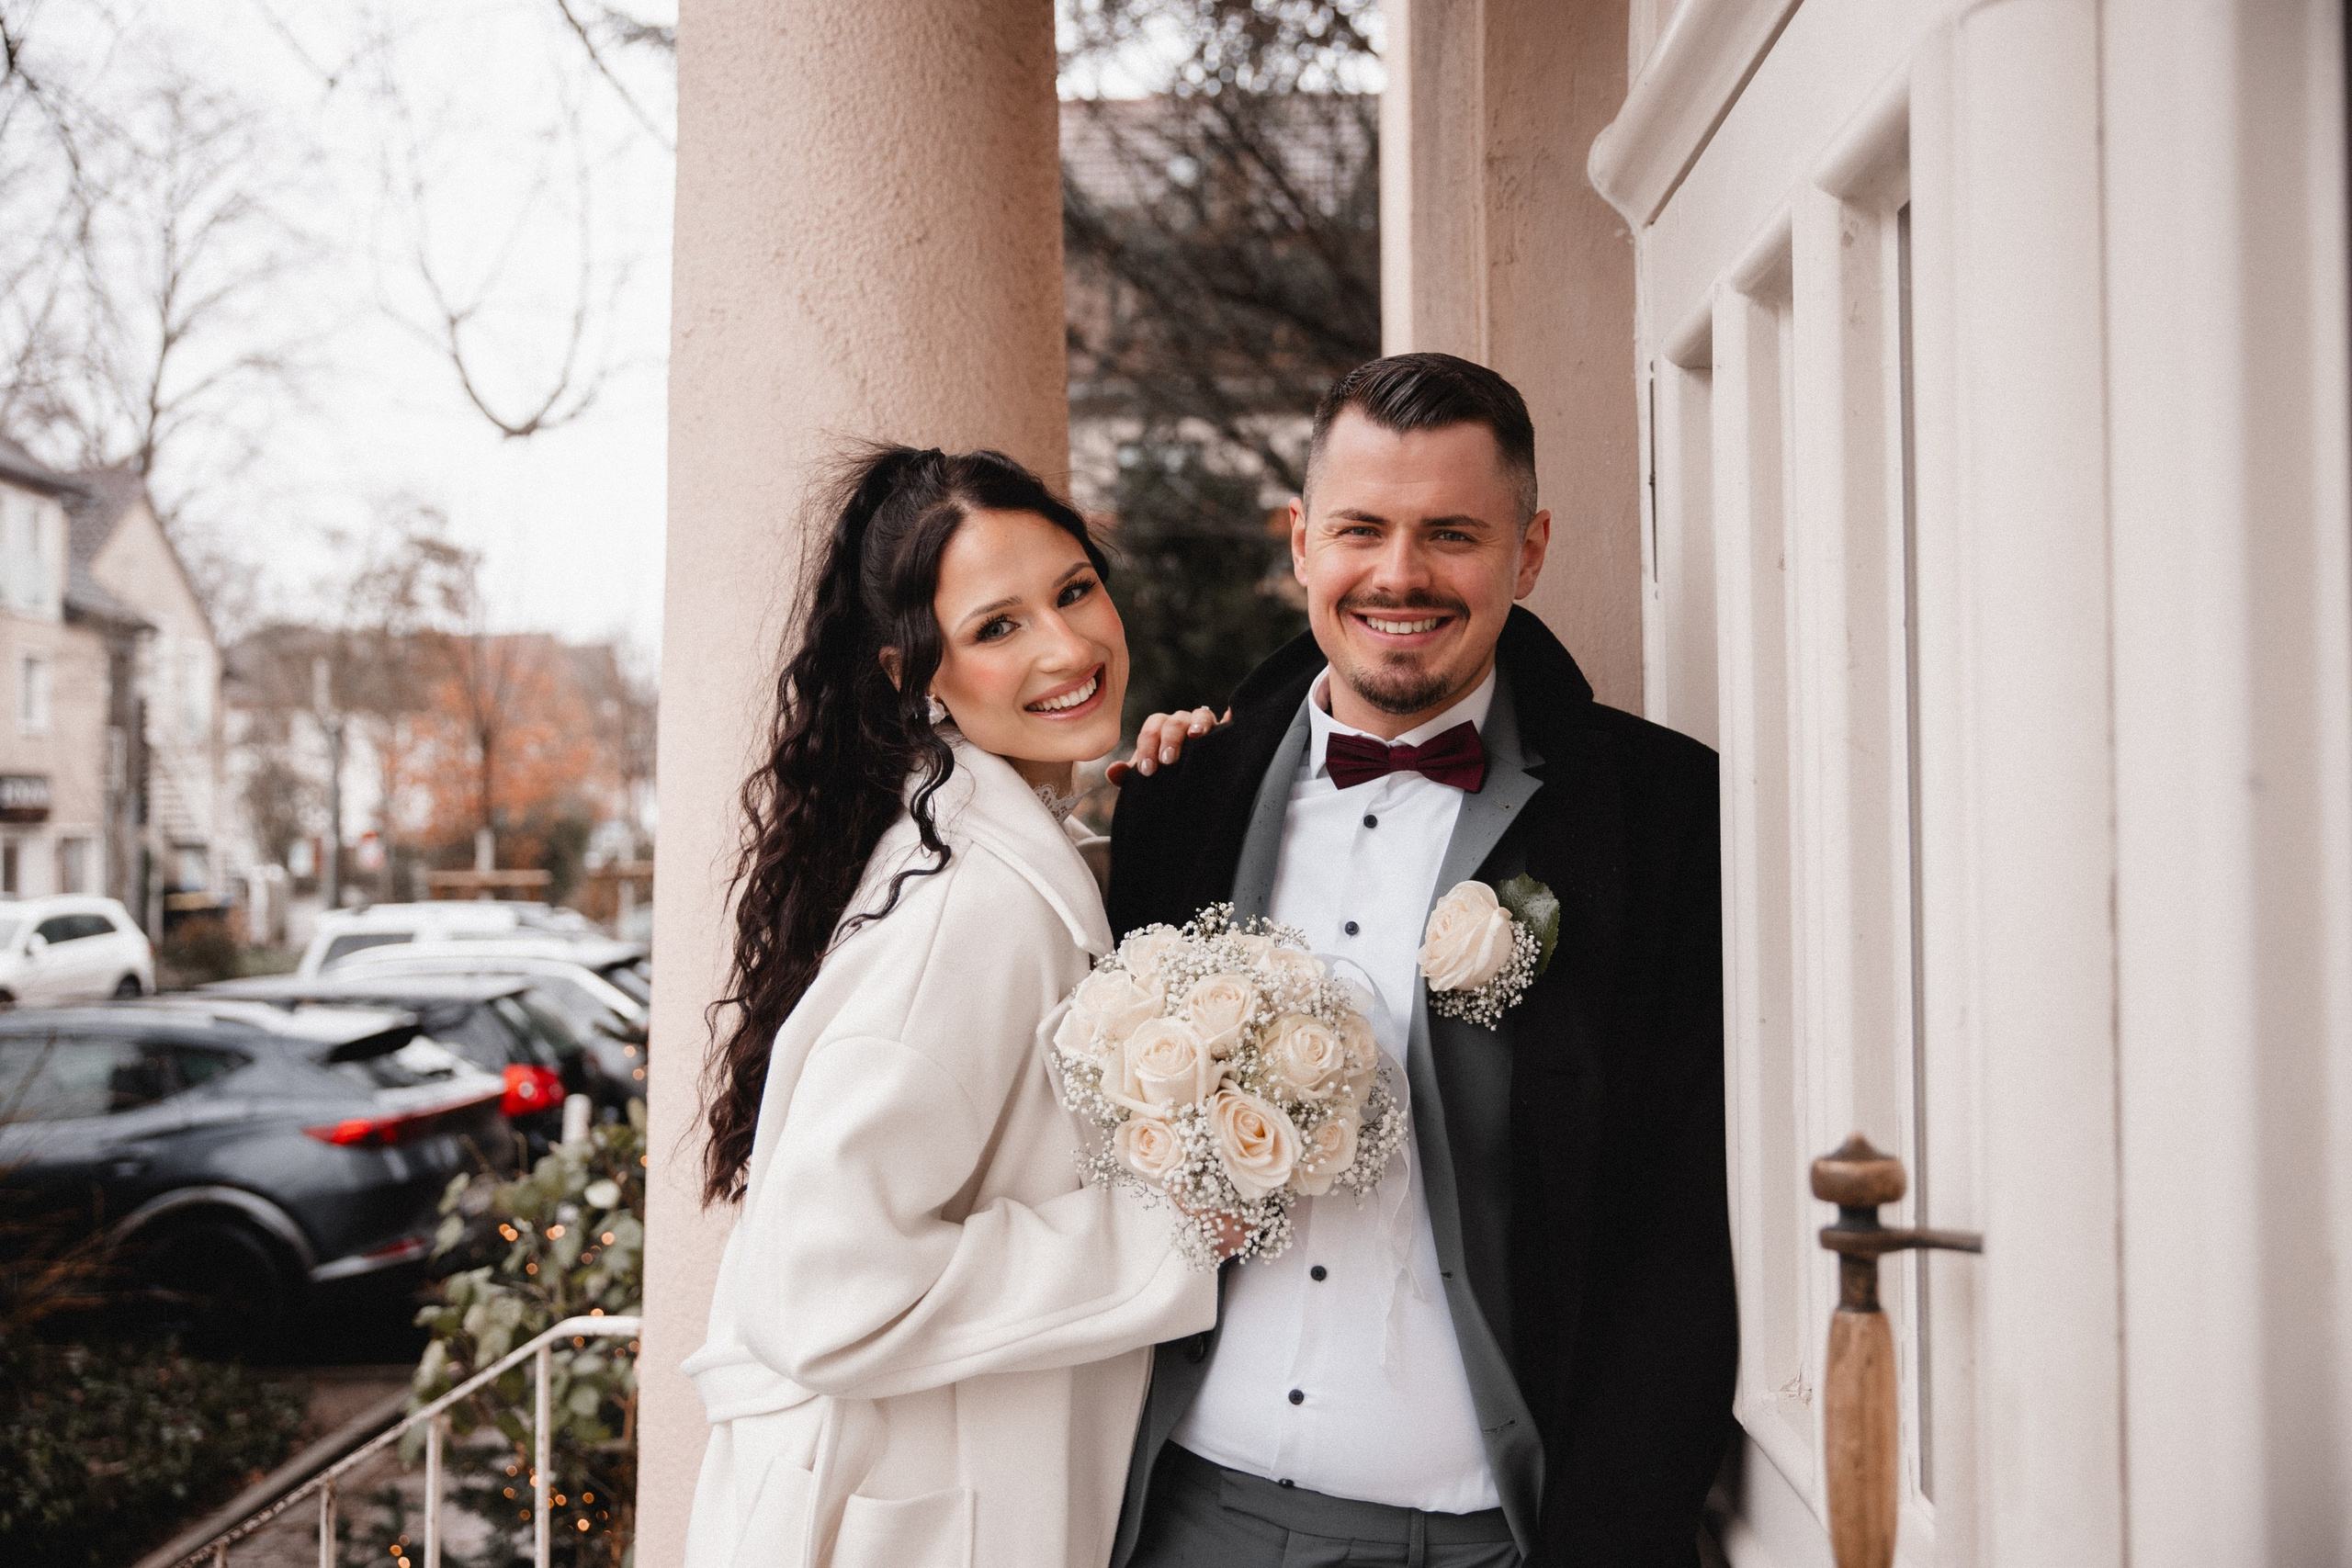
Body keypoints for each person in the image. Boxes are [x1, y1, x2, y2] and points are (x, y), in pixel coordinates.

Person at [1106, 354, 1738, 1567]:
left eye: (1452, 533)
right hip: (1187, 1520)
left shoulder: (1660, 815)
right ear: (1301, 543)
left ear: (1529, 551)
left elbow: (1684, 1229)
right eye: (1361, 529)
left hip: (1496, 1541)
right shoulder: (1177, 801)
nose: (1400, 573)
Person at [682, 446, 1218, 1568]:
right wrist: (1165, 1230)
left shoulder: (992, 849)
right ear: (912, 672)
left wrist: (1193, 809)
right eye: (997, 627)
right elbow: (821, 1288)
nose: (1068, 648)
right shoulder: (968, 911)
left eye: (1074, 591)